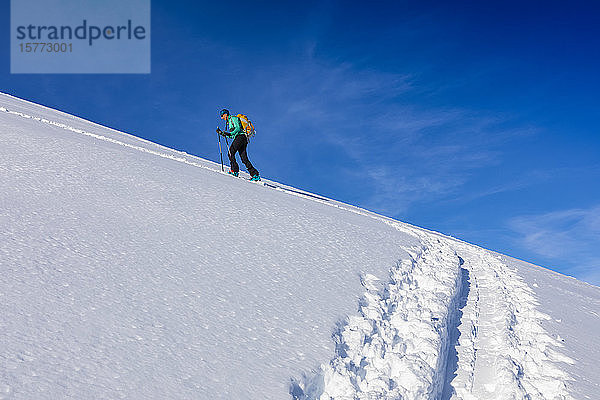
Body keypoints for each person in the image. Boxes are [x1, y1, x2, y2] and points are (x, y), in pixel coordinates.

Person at [216, 109, 260, 181]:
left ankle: (234, 171)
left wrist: (229, 133)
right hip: (241, 138)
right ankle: (255, 174)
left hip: (241, 137)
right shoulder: (229, 123)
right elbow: (232, 136)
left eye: (222, 115)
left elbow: (237, 128)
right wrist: (223, 133)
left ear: (225, 114)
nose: (221, 118)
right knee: (244, 158)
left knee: (231, 152)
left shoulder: (233, 118)